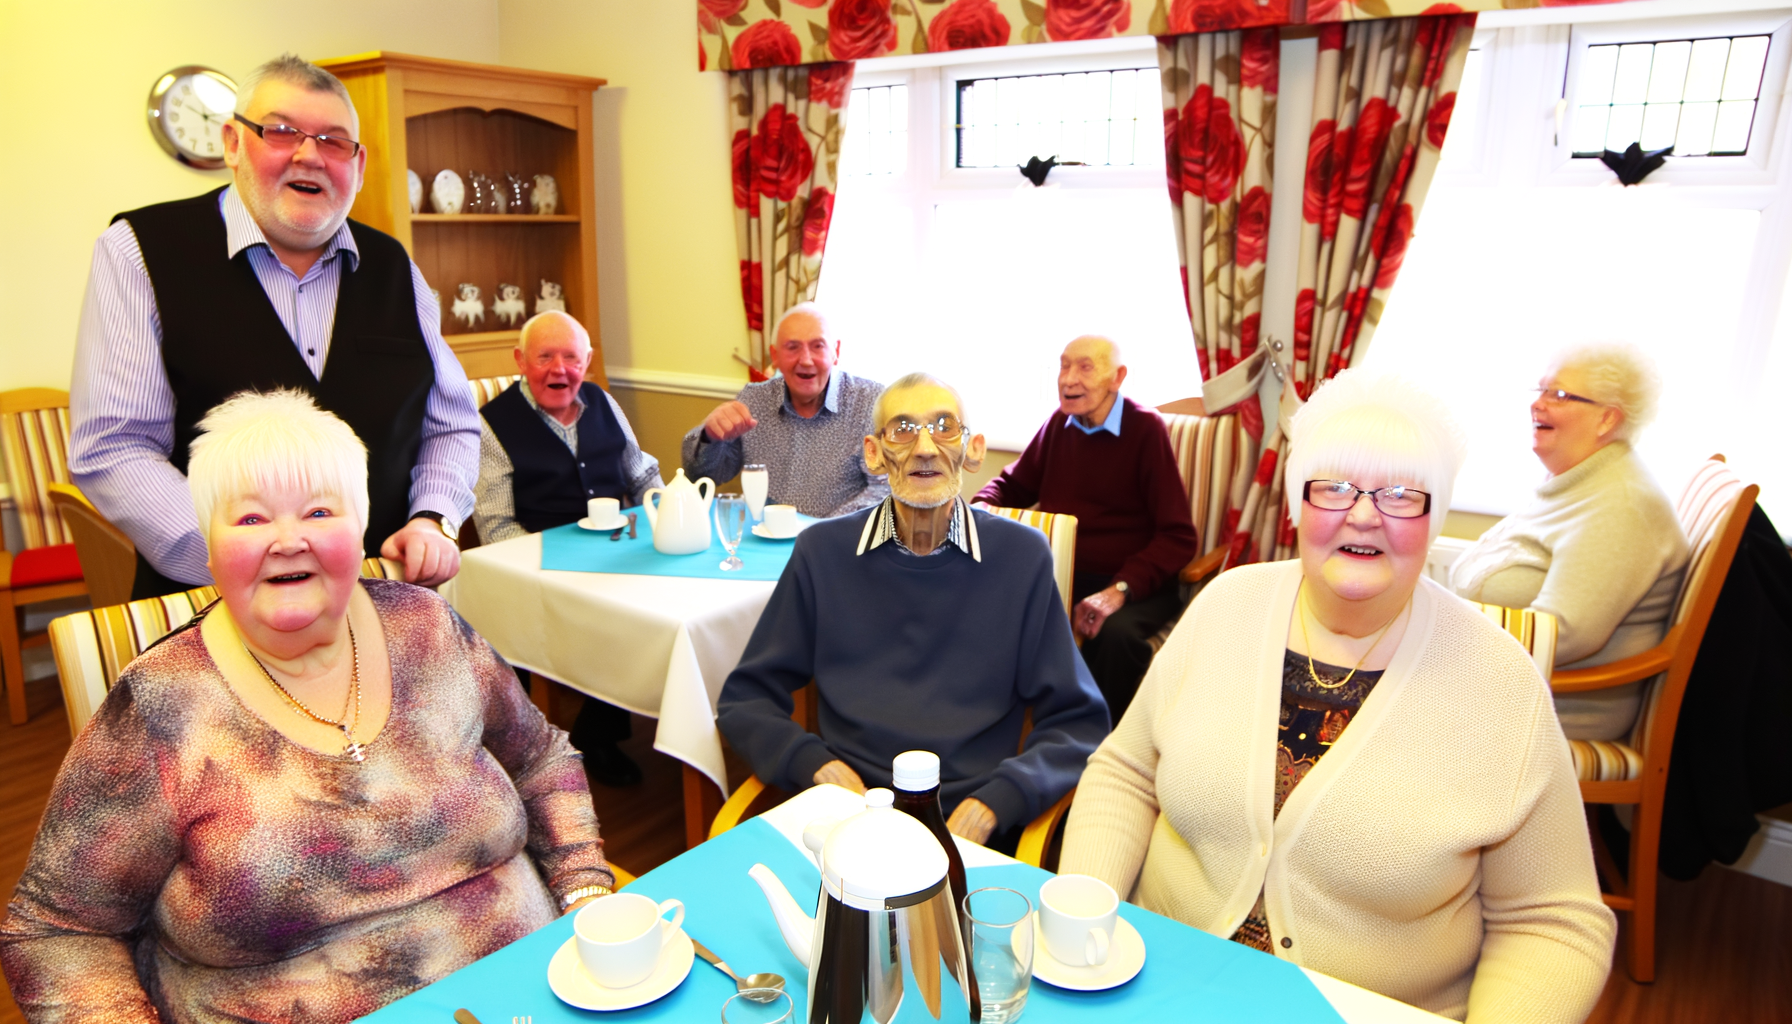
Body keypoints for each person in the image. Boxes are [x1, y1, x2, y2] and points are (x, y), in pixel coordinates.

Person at [0, 390, 612, 1023]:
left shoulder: (427, 627)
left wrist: (586, 891)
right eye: (250, 519)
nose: (287, 540)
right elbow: (56, 931)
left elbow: (540, 760)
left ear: (360, 528)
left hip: (541, 995)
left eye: (319, 511)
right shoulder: (162, 705)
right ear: (207, 548)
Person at [1059, 370, 1615, 1023]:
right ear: (1296, 504)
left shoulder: (1500, 681)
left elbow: (1555, 922)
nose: (1362, 514)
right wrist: (1081, 927)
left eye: (1401, 495)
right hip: (1155, 985)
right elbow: (1126, 774)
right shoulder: (1225, 606)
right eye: (1335, 489)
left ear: (1435, 519)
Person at [69, 54, 479, 600]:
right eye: (282, 132)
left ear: (357, 168)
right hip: (211, 609)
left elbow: (451, 424)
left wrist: (434, 518)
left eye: (334, 141)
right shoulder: (138, 251)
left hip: (383, 599)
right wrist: (244, 562)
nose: (309, 155)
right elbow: (114, 447)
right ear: (234, 144)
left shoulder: (394, 266)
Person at [717, 373, 1110, 850]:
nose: (925, 448)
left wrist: (997, 802)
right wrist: (811, 763)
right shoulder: (822, 552)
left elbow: (1077, 721)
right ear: (873, 454)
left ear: (974, 449)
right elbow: (746, 698)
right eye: (902, 429)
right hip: (849, 814)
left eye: (944, 427)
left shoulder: (1021, 557)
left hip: (971, 821)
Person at [1450, 342, 1688, 741]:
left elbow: (1563, 632)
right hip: (1511, 684)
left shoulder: (1621, 506)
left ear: (1607, 419)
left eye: (1558, 394)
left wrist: (1438, 630)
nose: (1537, 405)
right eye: (1539, 391)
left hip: (1557, 708)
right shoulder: (1574, 480)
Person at [474, 310, 663, 786]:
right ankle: (537, 749)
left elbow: (640, 474)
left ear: (588, 362)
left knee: (659, 609)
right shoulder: (492, 424)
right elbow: (496, 526)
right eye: (545, 357)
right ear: (520, 360)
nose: (559, 370)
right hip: (539, 567)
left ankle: (598, 733)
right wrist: (553, 567)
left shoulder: (600, 400)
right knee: (613, 613)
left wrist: (666, 512)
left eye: (571, 358)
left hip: (618, 552)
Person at [974, 336, 1199, 717]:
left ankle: (1101, 744)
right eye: (1064, 366)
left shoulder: (1145, 429)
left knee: (1115, 635)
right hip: (1064, 571)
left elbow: (1178, 536)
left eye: (1085, 367)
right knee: (990, 604)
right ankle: (998, 723)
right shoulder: (1060, 424)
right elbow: (1014, 485)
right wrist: (979, 506)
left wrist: (1119, 590)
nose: (1068, 379)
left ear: (1117, 378)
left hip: (1132, 583)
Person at [681, 303, 887, 518]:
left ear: (835, 352)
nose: (806, 360)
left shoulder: (872, 403)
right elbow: (703, 476)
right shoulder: (753, 400)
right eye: (792, 347)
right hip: (763, 539)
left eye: (818, 346)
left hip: (840, 543)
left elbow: (885, 491)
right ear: (775, 355)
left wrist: (819, 532)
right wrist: (710, 437)